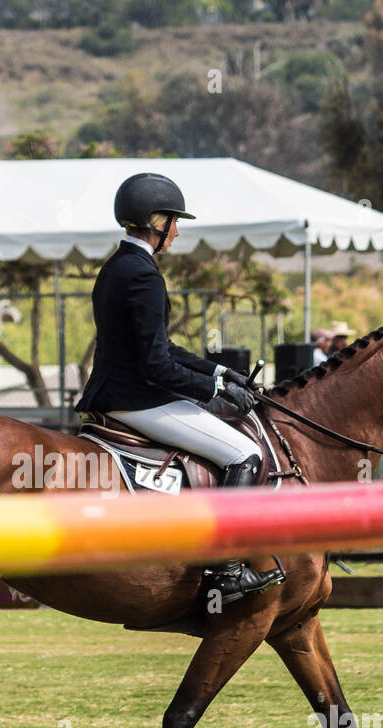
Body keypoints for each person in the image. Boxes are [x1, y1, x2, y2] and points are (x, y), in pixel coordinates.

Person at [76, 171, 283, 603]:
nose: (176, 230)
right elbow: (156, 367)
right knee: (245, 453)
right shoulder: (143, 274)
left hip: (117, 392)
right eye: (173, 220)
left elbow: (163, 346)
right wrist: (213, 393)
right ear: (155, 220)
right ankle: (225, 570)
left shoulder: (118, 265)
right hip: (138, 400)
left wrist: (222, 374)